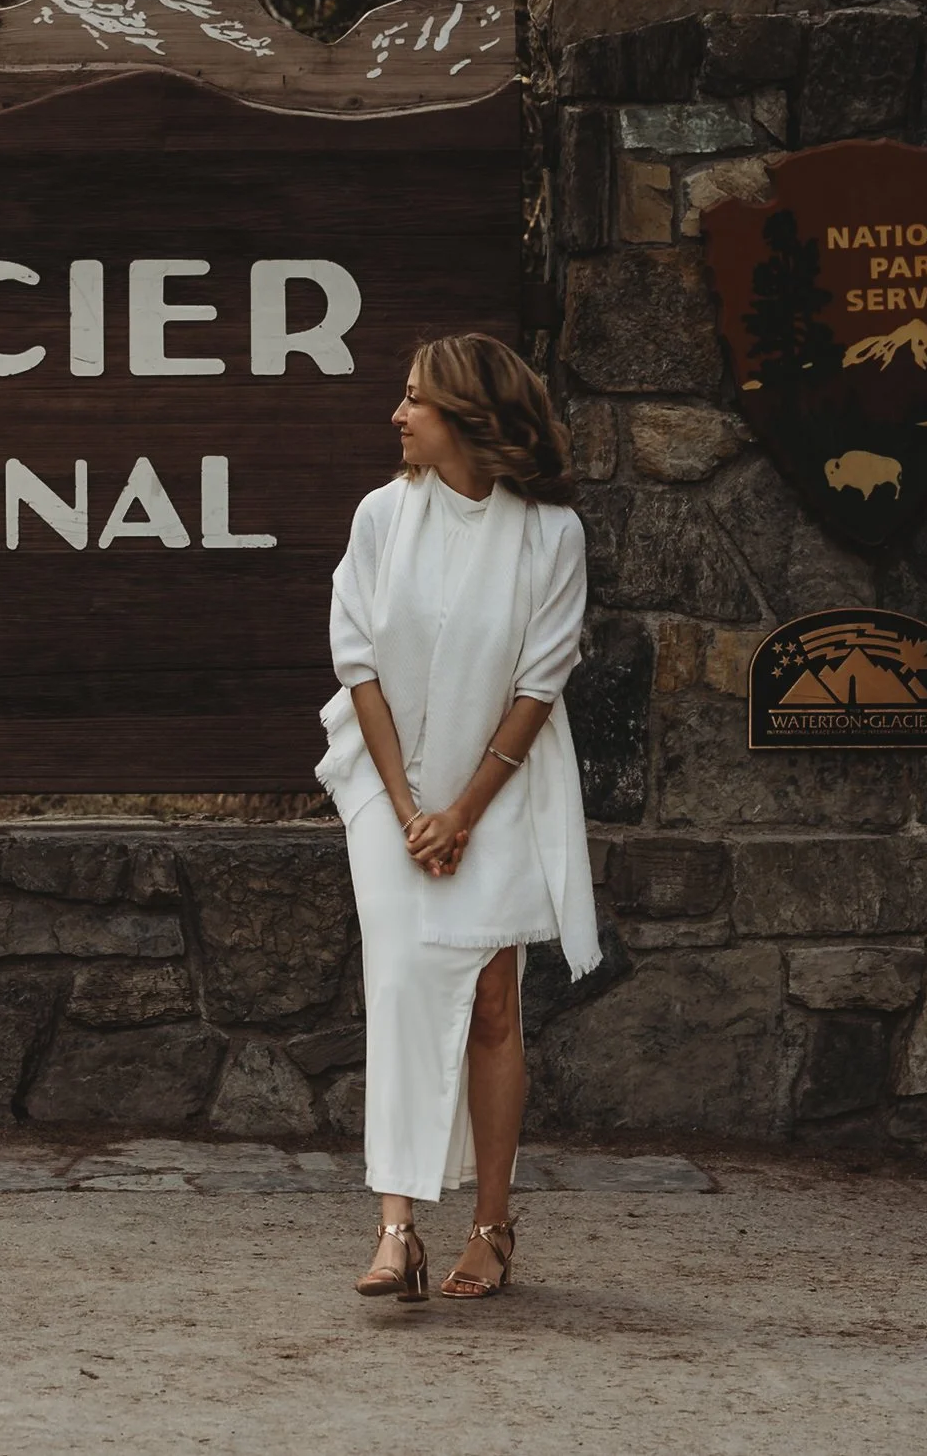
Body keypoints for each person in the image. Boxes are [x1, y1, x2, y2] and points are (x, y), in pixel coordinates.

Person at [314, 331, 598, 1302]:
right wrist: (407, 810)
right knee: (397, 983)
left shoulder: (551, 535)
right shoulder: (379, 517)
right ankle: (396, 1230)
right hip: (384, 789)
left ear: (468, 419)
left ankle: (490, 1225)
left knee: (491, 1001)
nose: (396, 415)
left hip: (503, 788)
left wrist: (465, 810)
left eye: (414, 400)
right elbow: (357, 665)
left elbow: (538, 683)